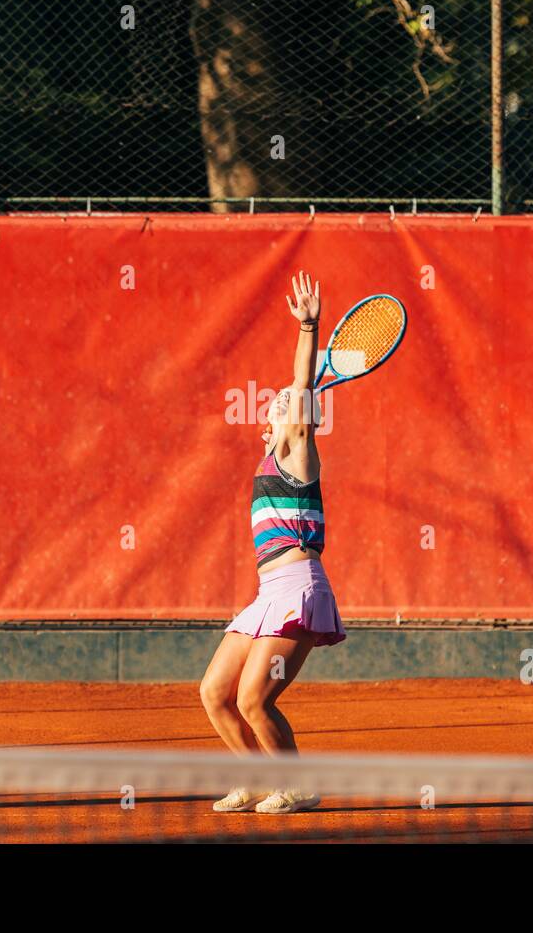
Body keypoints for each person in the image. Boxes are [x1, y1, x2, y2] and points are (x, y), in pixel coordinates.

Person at [199, 270, 346, 814]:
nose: (287, 399)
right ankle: (257, 780)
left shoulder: (300, 456)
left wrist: (310, 328)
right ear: (267, 424)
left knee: (254, 699)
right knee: (215, 695)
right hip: (267, 594)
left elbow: (304, 387)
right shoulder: (270, 459)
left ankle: (298, 785)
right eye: (279, 400)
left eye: (293, 401)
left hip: (300, 590)